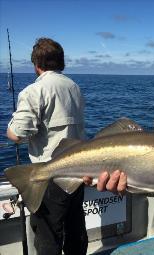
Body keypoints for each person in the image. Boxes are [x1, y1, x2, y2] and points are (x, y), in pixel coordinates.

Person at [7, 38, 88, 255]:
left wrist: (10, 129)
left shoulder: (34, 91)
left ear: (36, 64)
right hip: (78, 172)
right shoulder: (75, 87)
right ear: (61, 62)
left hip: (51, 175)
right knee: (75, 230)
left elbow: (17, 134)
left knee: (48, 236)